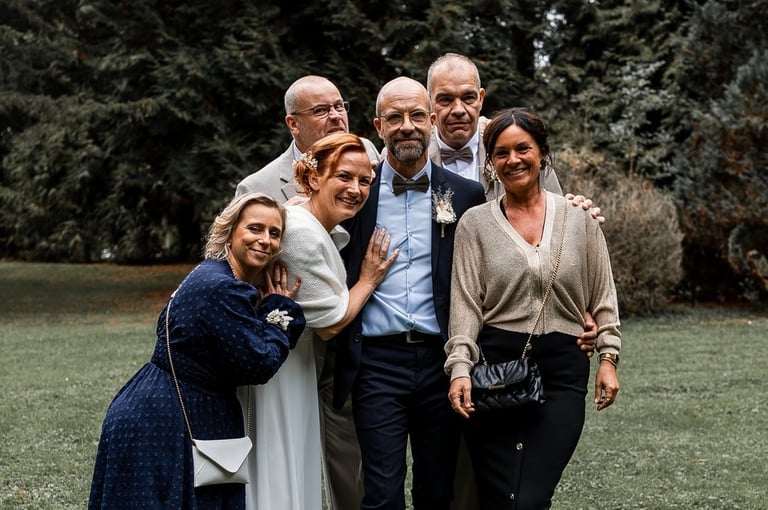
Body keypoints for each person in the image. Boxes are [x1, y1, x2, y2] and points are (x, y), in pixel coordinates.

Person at [427, 52, 601, 510]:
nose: (457, 107)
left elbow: (568, 255)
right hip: (481, 356)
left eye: (467, 96)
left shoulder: (568, 208)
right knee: (468, 487)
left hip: (559, 359)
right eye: (444, 99)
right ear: (430, 106)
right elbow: (465, 298)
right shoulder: (403, 153)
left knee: (526, 494)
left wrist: (599, 337)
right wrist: (460, 365)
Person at [88, 192, 306, 509]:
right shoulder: (222, 287)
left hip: (158, 407)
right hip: (164, 421)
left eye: (275, 233)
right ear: (231, 233)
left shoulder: (209, 273)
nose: (266, 240)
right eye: (255, 229)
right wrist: (278, 311)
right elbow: (259, 363)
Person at [335, 76, 487, 510]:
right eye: (395, 117)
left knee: (437, 491)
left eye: (417, 116)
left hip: (441, 360)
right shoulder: (355, 195)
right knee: (381, 493)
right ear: (378, 125)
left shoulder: (465, 194)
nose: (407, 126)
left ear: (433, 121)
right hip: (376, 363)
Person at [236, 75, 380, 510]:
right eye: (321, 110)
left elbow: (427, 142)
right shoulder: (259, 187)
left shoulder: (369, 155)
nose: (335, 115)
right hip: (292, 346)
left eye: (340, 105)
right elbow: (241, 271)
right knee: (282, 452)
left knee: (350, 471)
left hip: (363, 350)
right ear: (292, 124)